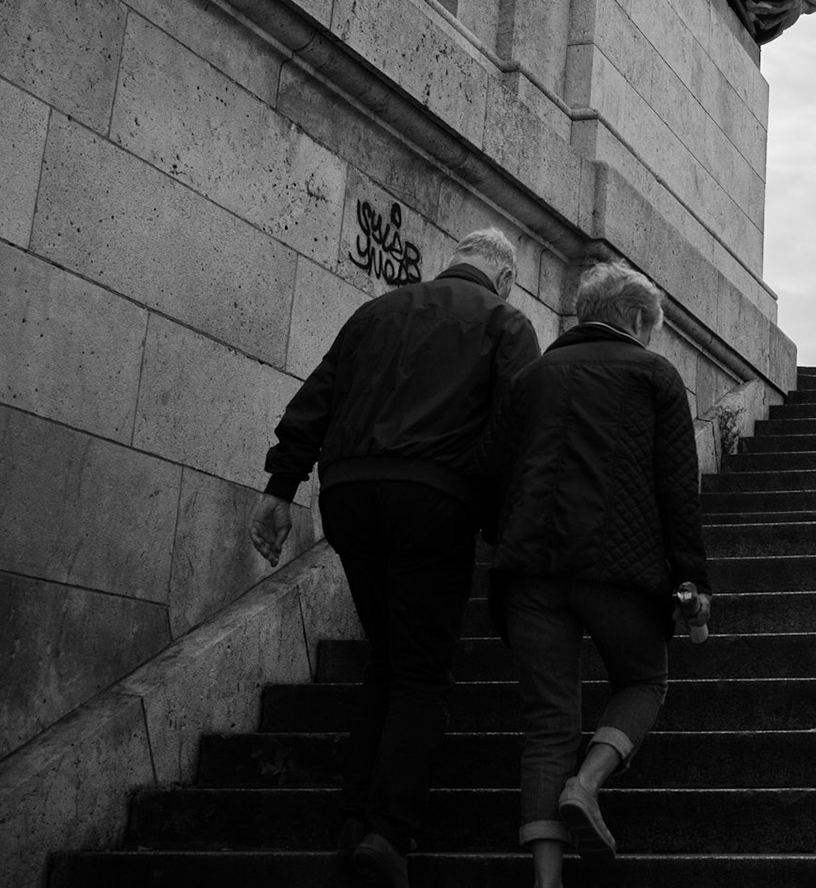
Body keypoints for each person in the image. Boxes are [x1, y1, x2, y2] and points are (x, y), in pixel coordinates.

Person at [247, 228, 541, 888]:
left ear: (451, 262)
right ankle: (388, 831)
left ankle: (354, 819)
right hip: (434, 498)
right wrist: (499, 519)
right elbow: (521, 426)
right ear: (504, 278)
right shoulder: (505, 321)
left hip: (349, 494)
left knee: (388, 653)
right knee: (422, 671)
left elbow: (315, 400)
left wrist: (279, 489)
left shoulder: (376, 311)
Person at [489, 261, 711, 886]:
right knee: (643, 681)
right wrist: (693, 579)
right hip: (619, 569)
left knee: (547, 723)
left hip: (530, 571)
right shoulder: (654, 375)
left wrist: (507, 544)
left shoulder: (531, 378)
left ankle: (547, 881)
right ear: (636, 318)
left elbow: (495, 471)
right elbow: (678, 489)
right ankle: (586, 784)